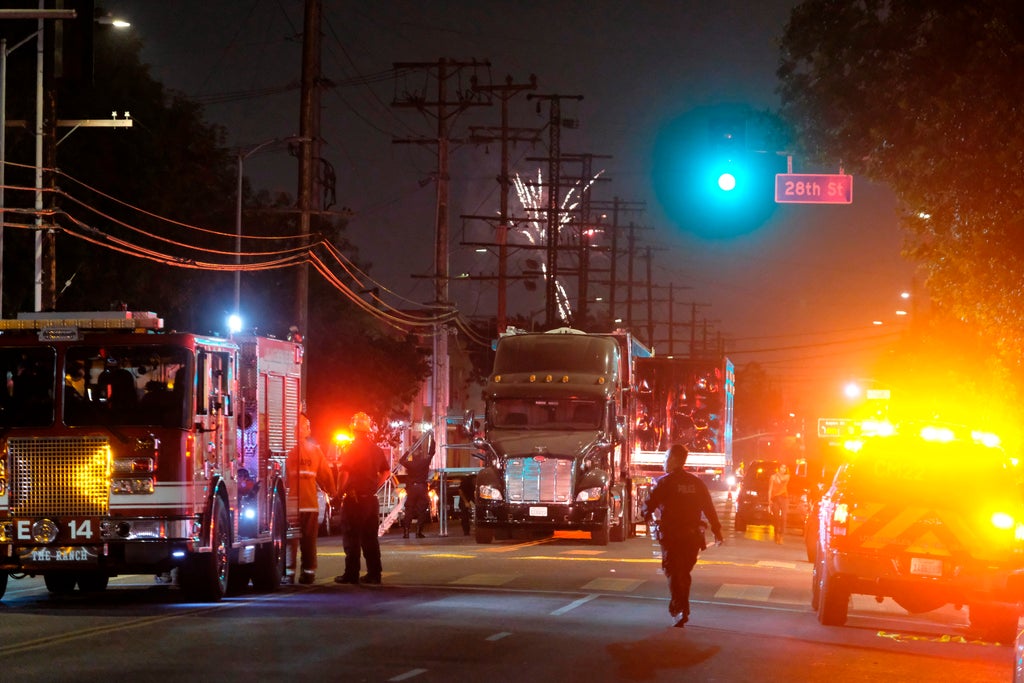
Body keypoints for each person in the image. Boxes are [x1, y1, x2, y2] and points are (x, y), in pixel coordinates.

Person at [642, 444, 723, 628]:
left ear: (675, 460)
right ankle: (682, 608)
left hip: (671, 535)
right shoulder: (697, 483)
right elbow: (709, 508)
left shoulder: (664, 482)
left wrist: (646, 517)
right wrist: (717, 531)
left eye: (666, 457)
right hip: (692, 537)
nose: (664, 461)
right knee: (683, 573)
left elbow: (649, 504)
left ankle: (679, 609)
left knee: (673, 571)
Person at [334, 411, 390, 585]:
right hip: (371, 500)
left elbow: (344, 472)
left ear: (353, 429)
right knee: (370, 538)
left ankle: (351, 574)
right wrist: (375, 486)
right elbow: (386, 472)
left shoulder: (351, 449)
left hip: (355, 499)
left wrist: (338, 493)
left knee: (352, 538)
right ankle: (374, 574)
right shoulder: (376, 449)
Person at [285, 413, 336, 584]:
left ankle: (288, 573)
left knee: (290, 540)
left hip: (290, 504)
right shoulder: (314, 451)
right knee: (308, 541)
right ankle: (308, 573)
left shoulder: (287, 450)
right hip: (309, 504)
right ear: (306, 430)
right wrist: (334, 491)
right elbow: (326, 475)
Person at [399, 433, 434, 539]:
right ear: (420, 453)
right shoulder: (425, 462)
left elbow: (401, 461)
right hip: (422, 487)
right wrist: (432, 440)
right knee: (422, 510)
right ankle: (419, 532)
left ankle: (406, 532)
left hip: (412, 488)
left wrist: (408, 451)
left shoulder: (410, 464)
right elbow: (431, 453)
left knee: (409, 509)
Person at [768, 463, 791, 544]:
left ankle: (781, 536)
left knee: (784, 517)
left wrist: (777, 475)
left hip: (784, 498)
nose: (783, 469)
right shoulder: (773, 477)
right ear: (779, 468)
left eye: (784, 468)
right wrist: (769, 500)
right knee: (776, 518)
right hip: (775, 498)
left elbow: (782, 480)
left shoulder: (787, 476)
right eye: (781, 467)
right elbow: (770, 489)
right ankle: (776, 534)